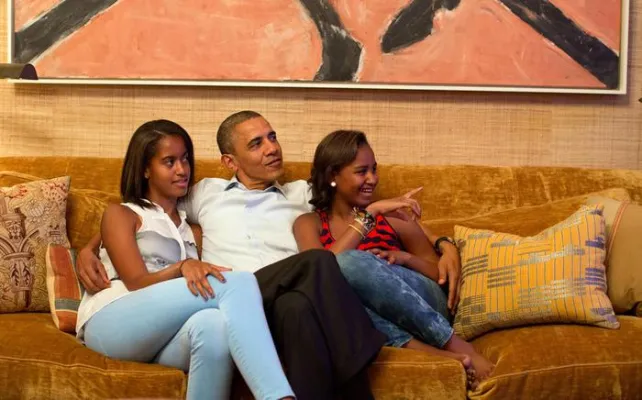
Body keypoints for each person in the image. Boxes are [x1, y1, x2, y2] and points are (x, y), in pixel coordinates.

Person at [77, 112, 389, 400]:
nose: (271, 148)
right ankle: (284, 392)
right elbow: (135, 213)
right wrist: (88, 249)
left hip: (268, 306)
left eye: (272, 137)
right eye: (256, 143)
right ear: (230, 161)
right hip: (230, 295)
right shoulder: (204, 193)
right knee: (304, 264)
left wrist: (424, 241)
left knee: (286, 309)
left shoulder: (300, 195)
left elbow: (349, 190)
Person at [76, 120, 294, 400]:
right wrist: (181, 267)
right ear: (145, 169)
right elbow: (136, 282)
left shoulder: (192, 230)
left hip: (161, 333)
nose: (182, 170)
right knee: (237, 283)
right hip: (113, 320)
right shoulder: (122, 213)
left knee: (214, 325)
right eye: (169, 162)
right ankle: (277, 396)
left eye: (185, 159)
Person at [292, 130, 494, 388]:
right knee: (334, 295)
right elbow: (318, 274)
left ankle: (454, 342)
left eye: (374, 169)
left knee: (351, 262)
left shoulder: (394, 217)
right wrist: (368, 216)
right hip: (370, 316)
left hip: (423, 303)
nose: (372, 179)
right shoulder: (308, 223)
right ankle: (437, 355)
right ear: (333, 175)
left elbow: (439, 276)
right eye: (361, 171)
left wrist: (405, 258)